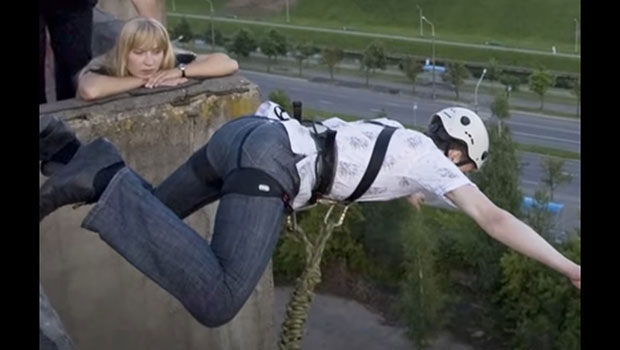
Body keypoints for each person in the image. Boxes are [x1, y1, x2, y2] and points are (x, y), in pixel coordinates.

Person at [38, 102, 580, 328]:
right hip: (272, 165)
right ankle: (102, 172)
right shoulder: (433, 164)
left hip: (245, 136)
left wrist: (414, 194)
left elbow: (389, 175)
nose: (461, 180)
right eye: (465, 170)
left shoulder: (399, 136)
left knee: (149, 215)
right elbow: (495, 220)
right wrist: (570, 269)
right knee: (219, 298)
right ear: (458, 154)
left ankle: (61, 149)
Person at [76, 16, 238, 101]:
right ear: (124, 52)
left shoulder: (171, 58)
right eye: (139, 53)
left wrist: (180, 71)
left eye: (156, 52)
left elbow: (228, 63)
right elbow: (90, 90)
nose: (149, 61)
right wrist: (149, 80)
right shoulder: (105, 64)